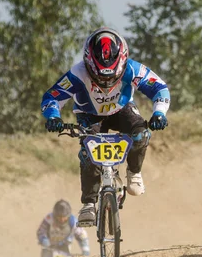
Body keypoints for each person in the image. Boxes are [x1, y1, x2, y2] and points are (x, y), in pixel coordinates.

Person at [41, 27, 170, 225]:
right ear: (88, 64)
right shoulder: (77, 74)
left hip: (122, 109)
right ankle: (89, 203)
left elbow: (159, 87)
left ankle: (134, 171)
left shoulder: (133, 69)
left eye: (111, 78)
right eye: (100, 78)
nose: (106, 83)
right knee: (88, 152)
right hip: (89, 115)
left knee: (141, 134)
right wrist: (53, 116)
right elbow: (52, 96)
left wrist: (159, 113)